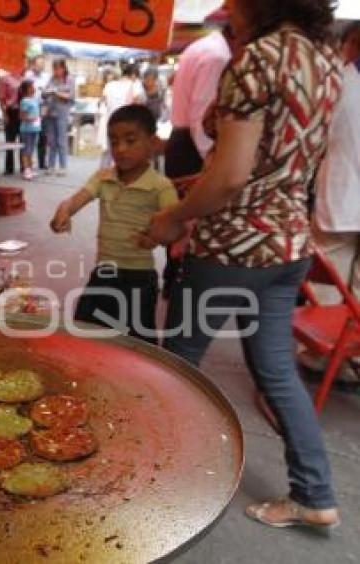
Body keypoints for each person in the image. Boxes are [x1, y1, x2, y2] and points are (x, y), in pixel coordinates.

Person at [144, 0, 342, 530]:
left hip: (233, 245)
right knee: (277, 369)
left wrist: (174, 216)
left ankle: (162, 485)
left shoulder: (258, 59)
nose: (227, 9)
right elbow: (274, 162)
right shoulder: (324, 60)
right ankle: (314, 493)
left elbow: (231, 175)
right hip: (288, 245)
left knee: (179, 363)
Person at [51, 105, 177, 342]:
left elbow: (175, 228)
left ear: (152, 143)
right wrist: (64, 211)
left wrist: (157, 237)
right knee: (84, 332)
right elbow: (76, 200)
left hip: (139, 277)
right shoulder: (103, 178)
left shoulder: (161, 186)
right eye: (114, 141)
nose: (121, 149)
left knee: (138, 341)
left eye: (130, 141)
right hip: (104, 272)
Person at [302, 21, 360, 384]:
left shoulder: (339, 83)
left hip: (340, 195)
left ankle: (321, 356)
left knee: (330, 279)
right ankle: (351, 352)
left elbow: (315, 138)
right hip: (340, 193)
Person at [164, 26, 233, 180]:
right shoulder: (217, 57)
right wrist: (212, 163)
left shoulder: (202, 47)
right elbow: (201, 118)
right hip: (193, 150)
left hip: (183, 143)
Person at [97, 64, 146, 168]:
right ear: (133, 75)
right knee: (123, 152)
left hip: (110, 123)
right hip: (126, 124)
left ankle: (104, 175)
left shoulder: (109, 85)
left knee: (109, 152)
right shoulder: (134, 85)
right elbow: (137, 103)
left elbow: (102, 101)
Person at [42, 59, 76, 176]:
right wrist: (46, 92)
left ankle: (63, 166)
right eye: (54, 69)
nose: (56, 71)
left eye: (58, 68)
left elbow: (71, 96)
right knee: (51, 141)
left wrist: (56, 93)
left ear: (63, 68)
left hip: (62, 113)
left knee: (61, 140)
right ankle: (51, 166)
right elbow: (45, 93)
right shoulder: (52, 79)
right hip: (50, 113)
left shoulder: (69, 79)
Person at [25, 56, 50, 171]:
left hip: (42, 107)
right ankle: (28, 164)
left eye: (42, 64)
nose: (40, 66)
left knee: (43, 135)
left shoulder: (46, 77)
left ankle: (42, 162)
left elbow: (49, 91)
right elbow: (24, 91)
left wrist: (46, 94)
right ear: (33, 64)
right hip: (31, 108)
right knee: (30, 135)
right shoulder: (28, 76)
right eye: (38, 64)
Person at [0, 71, 21, 175]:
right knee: (10, 140)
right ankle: (9, 167)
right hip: (11, 111)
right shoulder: (5, 79)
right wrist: (4, 114)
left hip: (24, 111)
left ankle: (24, 167)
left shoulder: (25, 77)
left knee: (24, 141)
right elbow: (1, 98)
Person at [18, 80, 42, 181]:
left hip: (35, 128)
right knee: (26, 149)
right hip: (27, 129)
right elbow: (22, 116)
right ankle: (26, 169)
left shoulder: (35, 99)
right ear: (26, 89)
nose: (33, 88)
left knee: (31, 149)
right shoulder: (25, 101)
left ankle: (30, 168)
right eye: (31, 86)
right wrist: (30, 119)